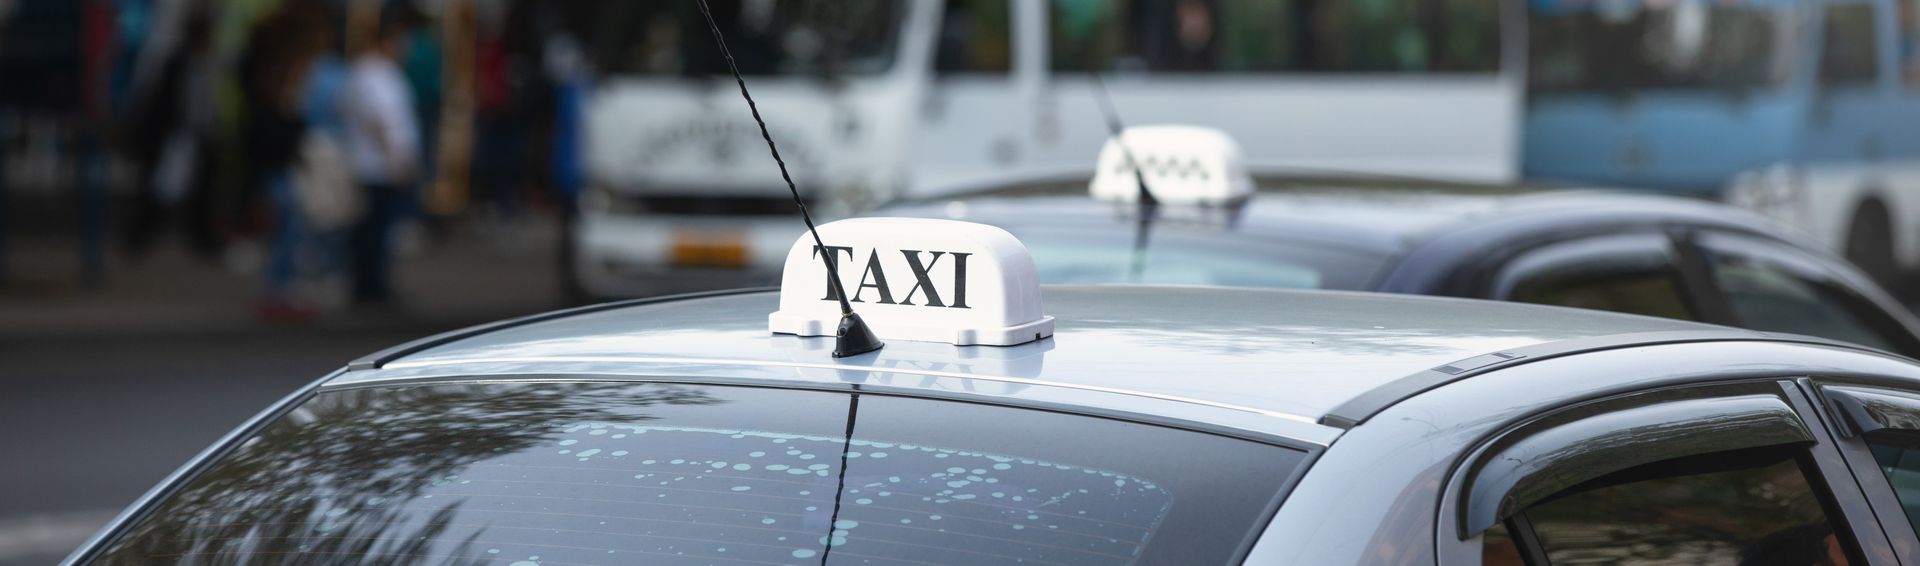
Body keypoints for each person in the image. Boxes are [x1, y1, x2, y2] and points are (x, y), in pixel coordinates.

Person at [340, 5, 424, 306]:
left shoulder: (379, 71)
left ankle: (371, 283)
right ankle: (370, 287)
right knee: (375, 231)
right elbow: (378, 120)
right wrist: (396, 158)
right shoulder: (373, 72)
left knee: (376, 229)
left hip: (379, 163)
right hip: (377, 166)